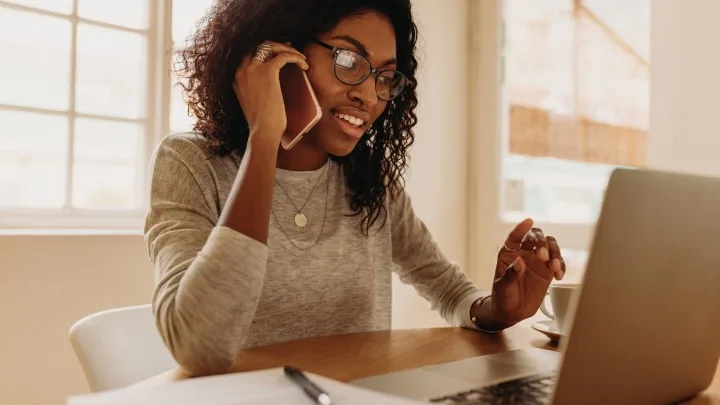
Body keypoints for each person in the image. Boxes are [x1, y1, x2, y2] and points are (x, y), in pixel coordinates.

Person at [144, 0, 566, 377]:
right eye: (348, 60)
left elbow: (444, 285)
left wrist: (496, 311)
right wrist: (264, 137)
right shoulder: (190, 164)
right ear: (278, 53)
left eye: (385, 76)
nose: (369, 95)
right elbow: (199, 347)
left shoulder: (370, 182)